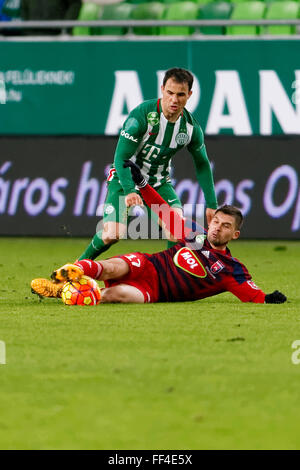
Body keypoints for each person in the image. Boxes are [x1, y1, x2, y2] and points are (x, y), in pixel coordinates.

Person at [31, 162, 287, 305]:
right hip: (146, 265)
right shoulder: (194, 235)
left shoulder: (231, 269)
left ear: (235, 235)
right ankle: (61, 282)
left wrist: (270, 299)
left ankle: (76, 294)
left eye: (226, 226)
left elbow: (252, 296)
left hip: (156, 292)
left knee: (116, 295)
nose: (218, 227)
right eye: (216, 221)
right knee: (109, 268)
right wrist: (142, 184)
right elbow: (164, 212)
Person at [78, 67, 218, 262]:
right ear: (162, 89)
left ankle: (169, 277)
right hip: (124, 178)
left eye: (180, 94)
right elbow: (120, 157)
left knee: (176, 228)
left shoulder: (191, 128)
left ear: (190, 95)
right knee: (112, 234)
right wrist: (129, 190)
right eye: (170, 93)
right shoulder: (142, 115)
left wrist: (211, 204)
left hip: (157, 183)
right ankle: (78, 266)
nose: (174, 100)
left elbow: (202, 164)